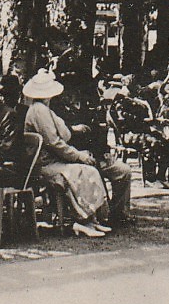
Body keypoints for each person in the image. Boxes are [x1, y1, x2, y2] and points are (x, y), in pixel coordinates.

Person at [20, 71, 114, 237]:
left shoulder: (42, 109)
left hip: (52, 161)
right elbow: (54, 142)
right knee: (83, 171)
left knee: (88, 170)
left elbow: (63, 134)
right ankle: (82, 219)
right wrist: (78, 155)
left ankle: (91, 218)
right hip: (45, 164)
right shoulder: (39, 110)